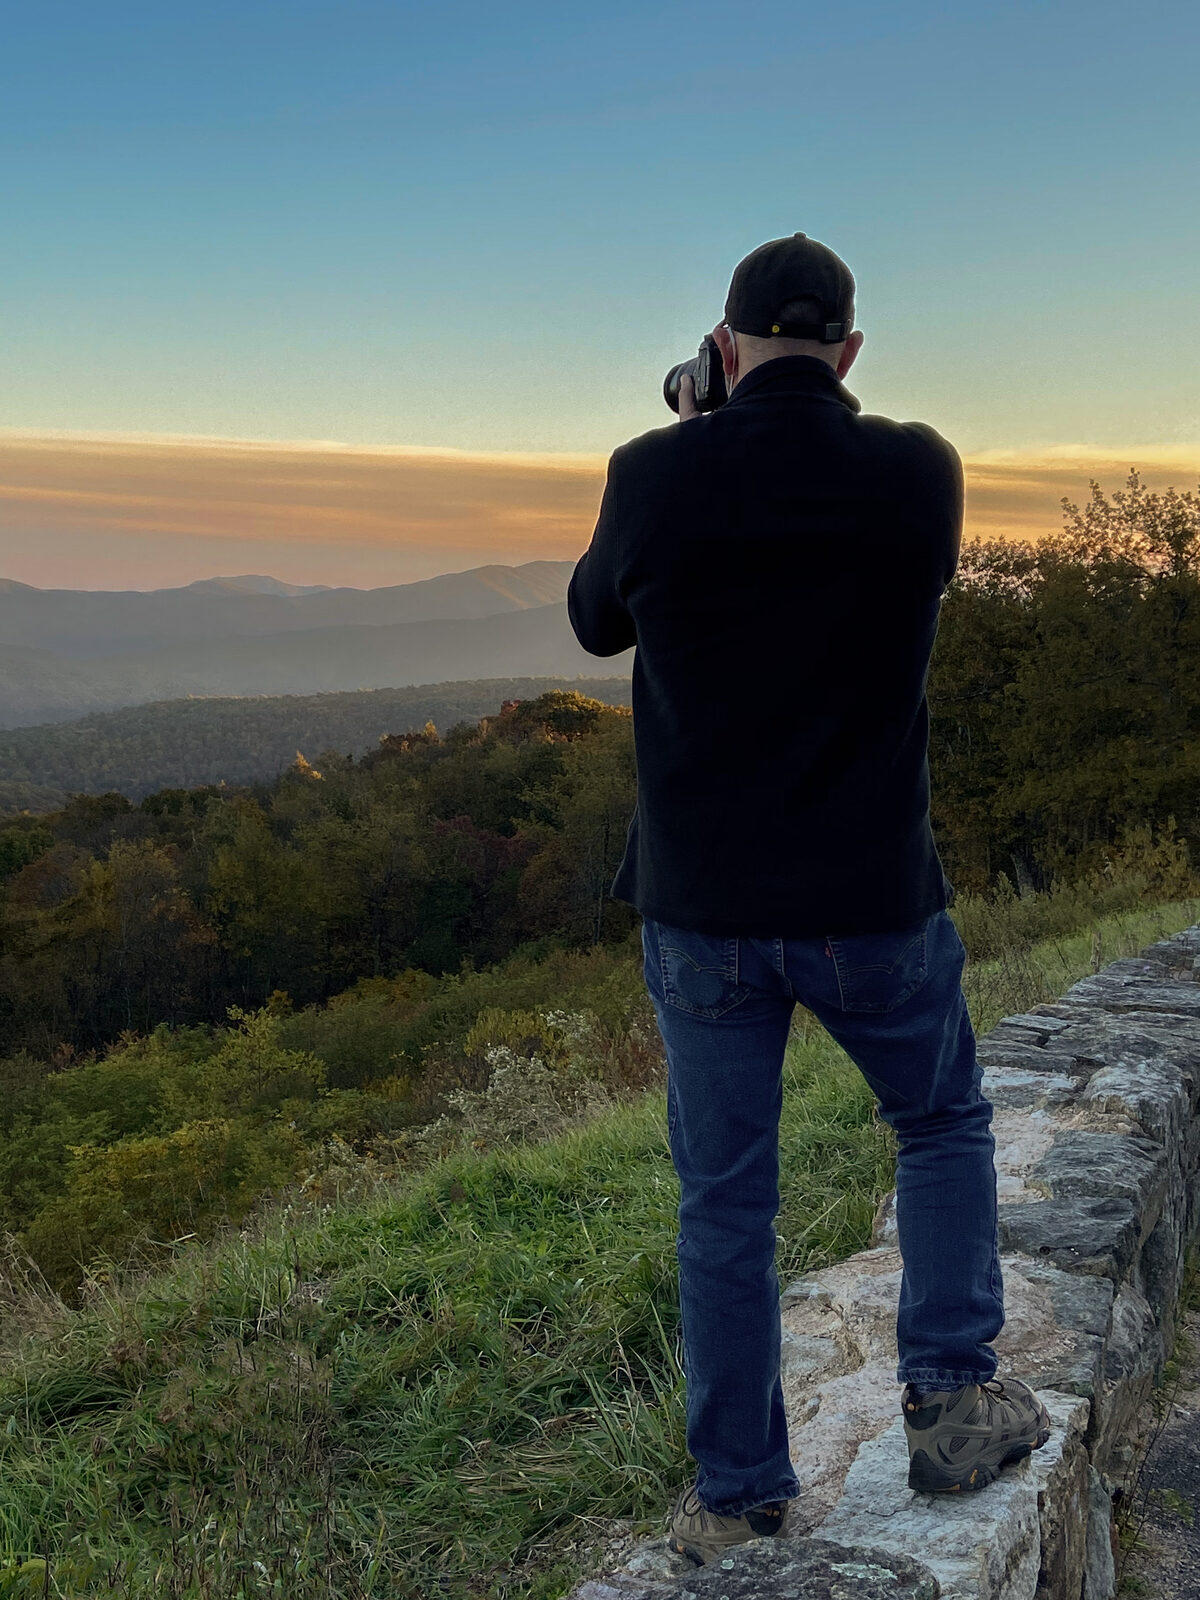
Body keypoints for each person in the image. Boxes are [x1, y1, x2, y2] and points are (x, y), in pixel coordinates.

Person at [565, 233, 1051, 1568]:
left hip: (703, 910)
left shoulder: (654, 473)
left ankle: (739, 1498)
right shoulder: (920, 471)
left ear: (723, 347)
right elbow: (850, 525)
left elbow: (594, 618)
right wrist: (762, 411)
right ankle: (951, 1403)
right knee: (939, 1123)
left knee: (725, 1201)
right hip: (872, 898)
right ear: (849, 352)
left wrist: (695, 423)